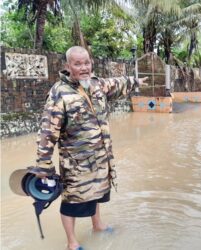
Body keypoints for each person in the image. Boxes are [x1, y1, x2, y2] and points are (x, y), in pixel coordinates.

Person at [29, 46, 147, 250]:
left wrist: (135, 81)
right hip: (76, 164)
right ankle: (72, 243)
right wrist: (44, 166)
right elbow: (47, 132)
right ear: (68, 66)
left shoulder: (96, 84)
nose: (84, 67)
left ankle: (98, 225)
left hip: (101, 159)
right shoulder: (59, 93)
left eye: (86, 63)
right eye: (78, 63)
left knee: (97, 192)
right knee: (72, 201)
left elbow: (116, 83)